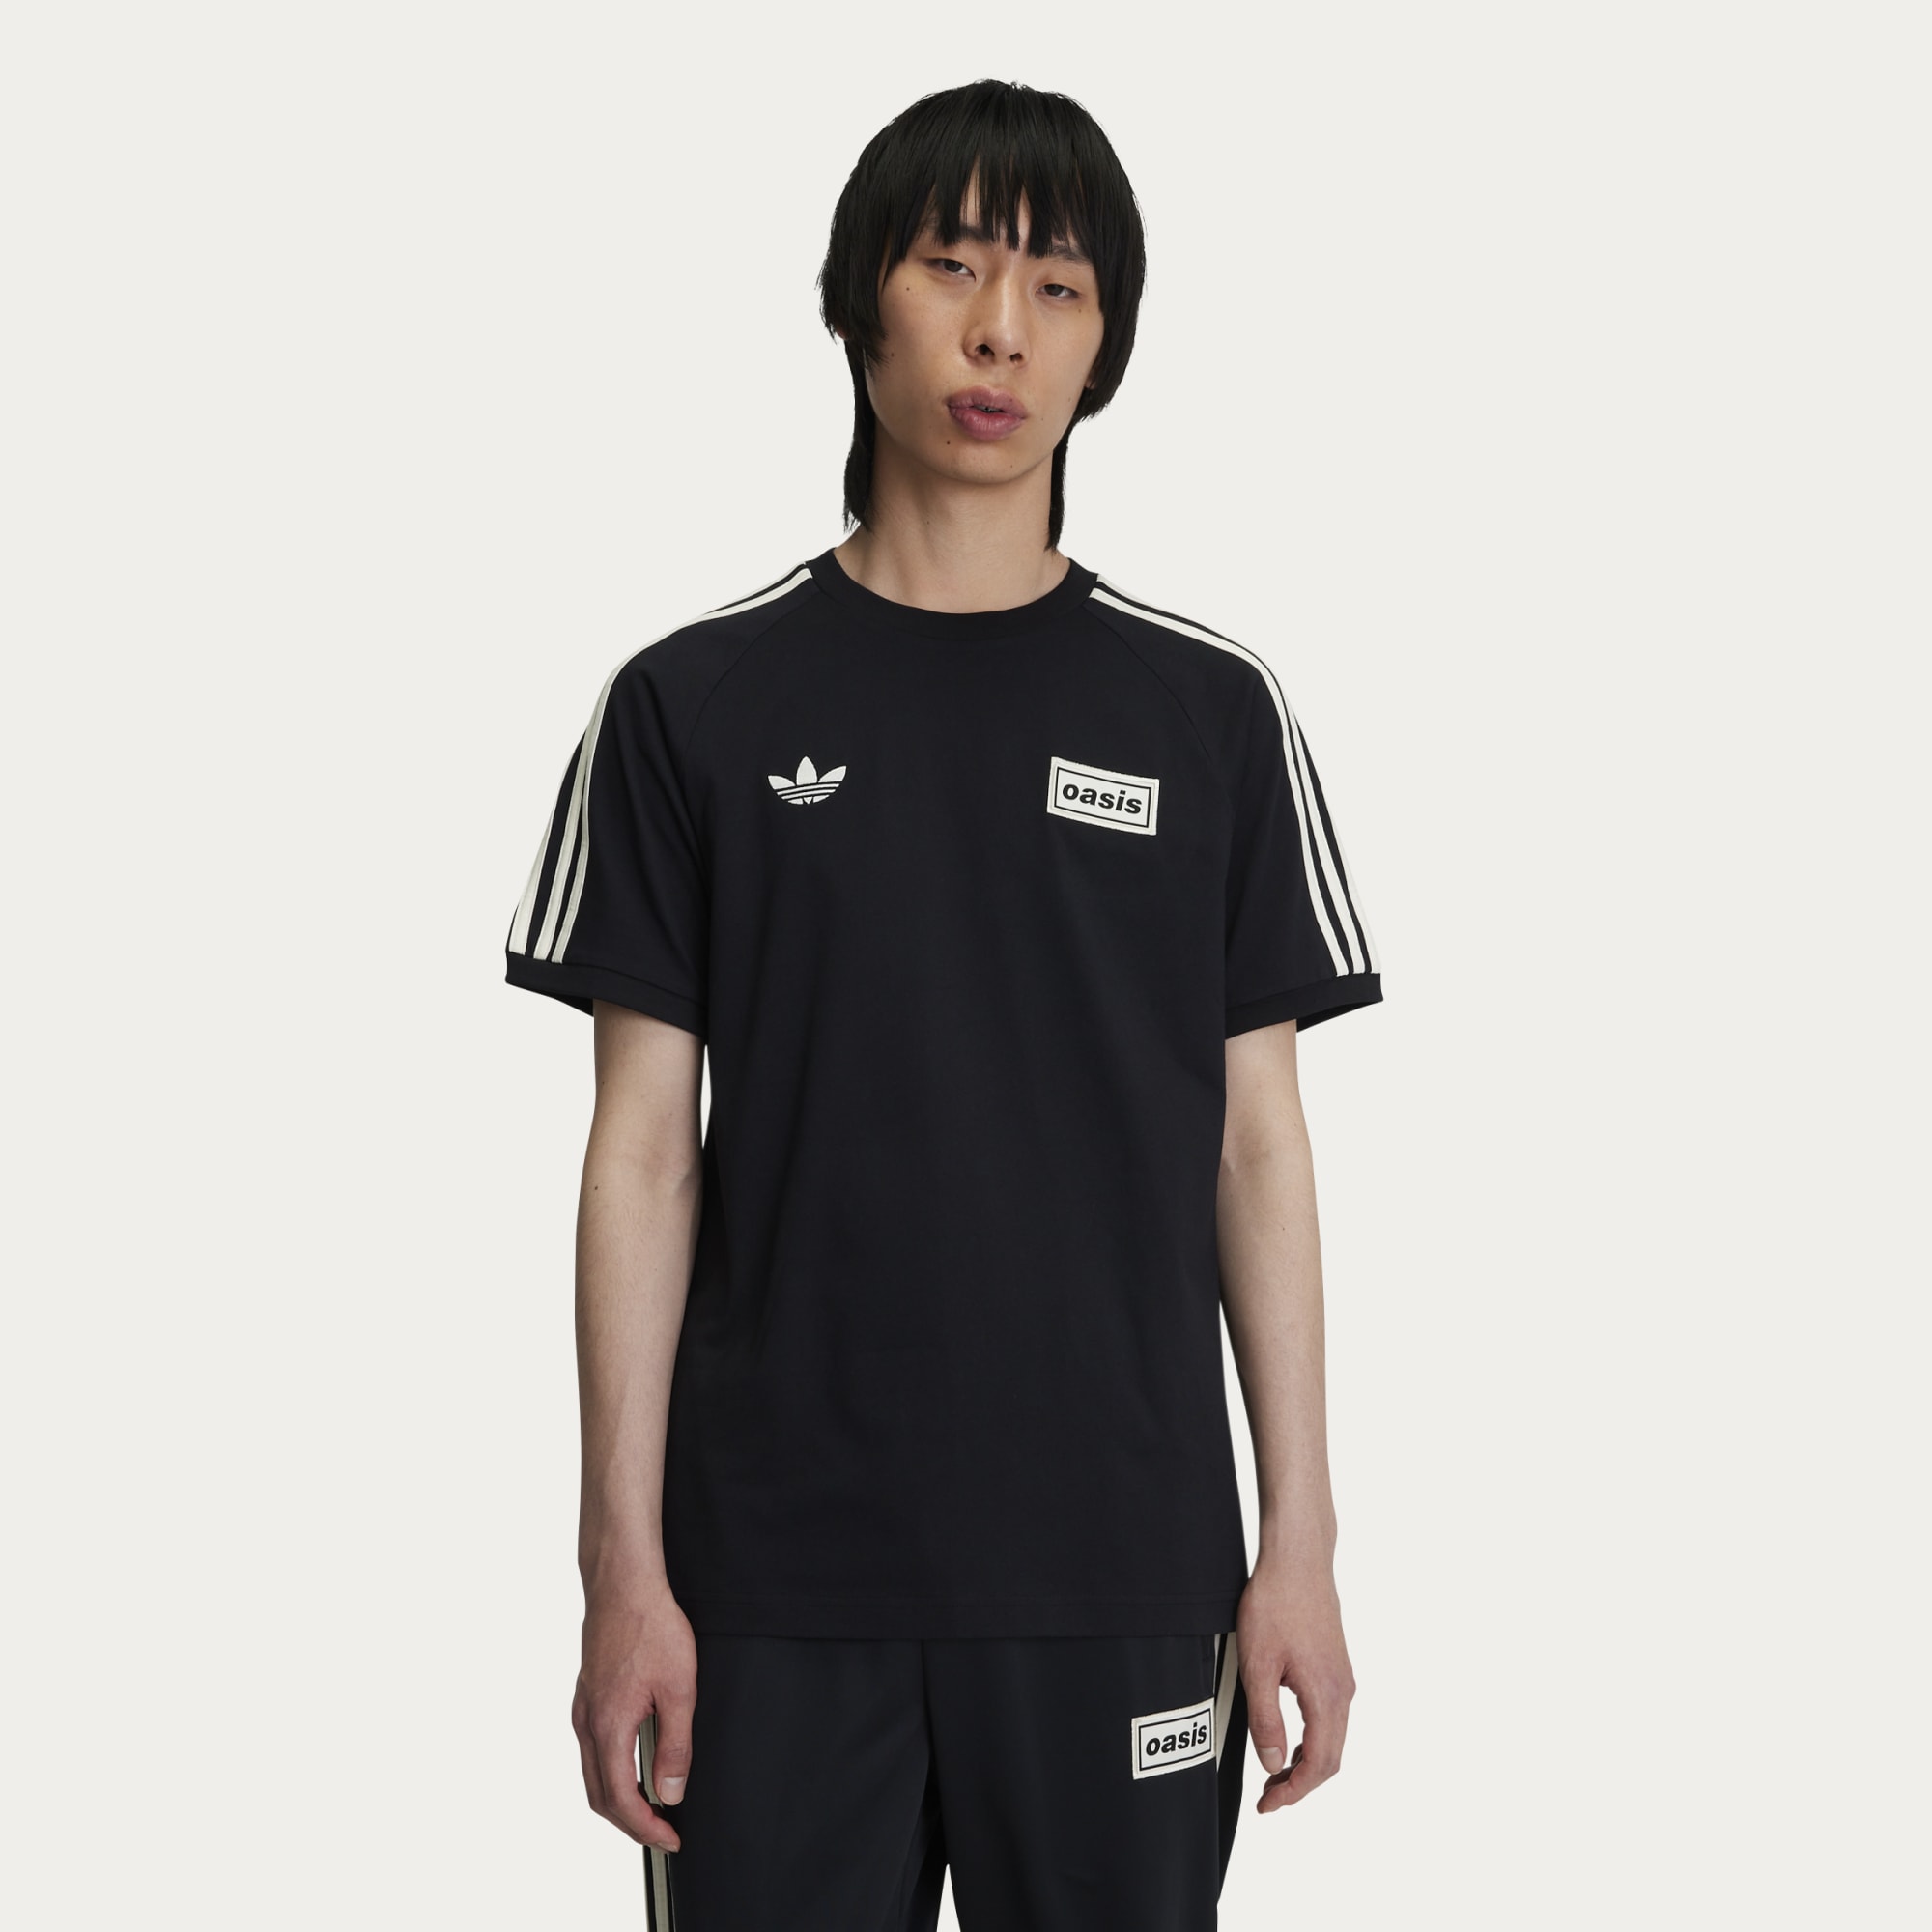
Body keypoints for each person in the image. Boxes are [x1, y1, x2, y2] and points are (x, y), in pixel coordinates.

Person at [503, 76, 1383, 1932]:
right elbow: (643, 1158)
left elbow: (1258, 1150)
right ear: (858, 303)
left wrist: (1300, 1541)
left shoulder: (1210, 715)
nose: (1002, 331)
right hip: (771, 1589)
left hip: (1123, 1569)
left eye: (1058, 288)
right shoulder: (689, 706)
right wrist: (620, 1570)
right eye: (953, 266)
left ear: (1106, 345)